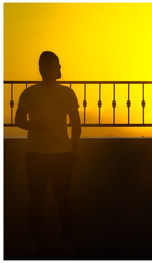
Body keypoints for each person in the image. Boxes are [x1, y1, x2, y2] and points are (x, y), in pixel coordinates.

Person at [15, 51, 81, 253]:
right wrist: (34, 126)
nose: (44, 68)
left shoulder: (67, 93)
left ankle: (67, 241)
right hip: (36, 154)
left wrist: (75, 147)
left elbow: (76, 122)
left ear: (57, 68)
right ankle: (34, 242)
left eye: (48, 64)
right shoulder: (29, 93)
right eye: (41, 64)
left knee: (64, 199)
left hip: (62, 154)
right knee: (36, 199)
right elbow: (19, 120)